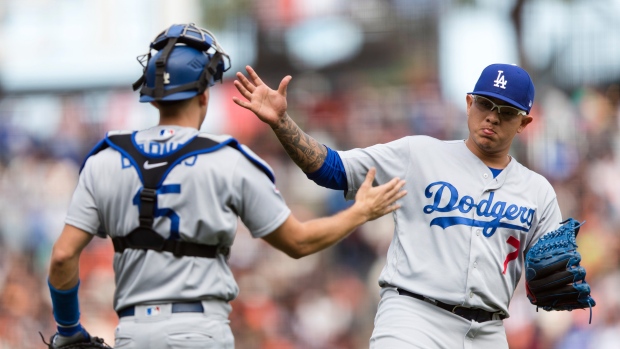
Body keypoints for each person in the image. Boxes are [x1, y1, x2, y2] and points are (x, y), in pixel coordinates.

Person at [46, 23, 407, 349]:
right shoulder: (229, 159)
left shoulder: (103, 159)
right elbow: (299, 242)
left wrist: (68, 329)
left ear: (152, 97)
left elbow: (62, 257)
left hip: (133, 331)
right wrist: (360, 212)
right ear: (205, 95)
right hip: (200, 331)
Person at [232, 63, 565, 348]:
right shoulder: (418, 154)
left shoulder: (537, 192)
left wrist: (552, 284)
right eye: (485, 104)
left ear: (524, 123)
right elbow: (332, 170)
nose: (491, 117)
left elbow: (551, 283)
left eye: (505, 112)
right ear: (468, 103)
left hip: (488, 331)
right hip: (412, 318)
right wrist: (281, 122)